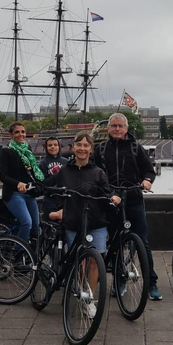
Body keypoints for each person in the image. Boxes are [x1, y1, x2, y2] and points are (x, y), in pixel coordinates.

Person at [49, 133, 120, 317]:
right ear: (73, 147)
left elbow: (106, 193)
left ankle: (88, 297)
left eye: (86, 145)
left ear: (91, 149)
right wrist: (59, 209)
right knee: (80, 262)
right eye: (79, 145)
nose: (82, 148)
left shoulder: (98, 172)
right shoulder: (64, 171)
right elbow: (55, 192)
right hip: (73, 221)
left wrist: (112, 197)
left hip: (95, 222)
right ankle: (81, 289)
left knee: (95, 261)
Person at [94, 112, 161, 300]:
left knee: (142, 242)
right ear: (108, 128)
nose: (117, 129)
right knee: (115, 243)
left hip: (133, 199)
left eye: (120, 126)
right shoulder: (100, 150)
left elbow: (149, 170)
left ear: (126, 129)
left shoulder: (135, 148)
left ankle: (151, 282)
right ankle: (119, 279)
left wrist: (147, 180)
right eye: (113, 126)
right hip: (111, 200)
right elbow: (94, 172)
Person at [0, 122, 43, 245]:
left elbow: (31, 171)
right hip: (14, 193)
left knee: (36, 225)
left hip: (29, 192)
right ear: (11, 135)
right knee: (26, 223)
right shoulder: (6, 152)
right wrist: (17, 183)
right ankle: (19, 254)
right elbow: (3, 176)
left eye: (23, 132)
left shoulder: (27, 150)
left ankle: (32, 254)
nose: (20, 134)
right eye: (17, 132)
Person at [38, 137, 69, 222]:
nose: (53, 147)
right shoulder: (42, 164)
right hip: (50, 198)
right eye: (50, 145)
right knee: (50, 224)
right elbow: (43, 184)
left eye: (55, 145)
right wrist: (57, 175)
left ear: (59, 146)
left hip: (64, 198)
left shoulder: (66, 162)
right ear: (46, 148)